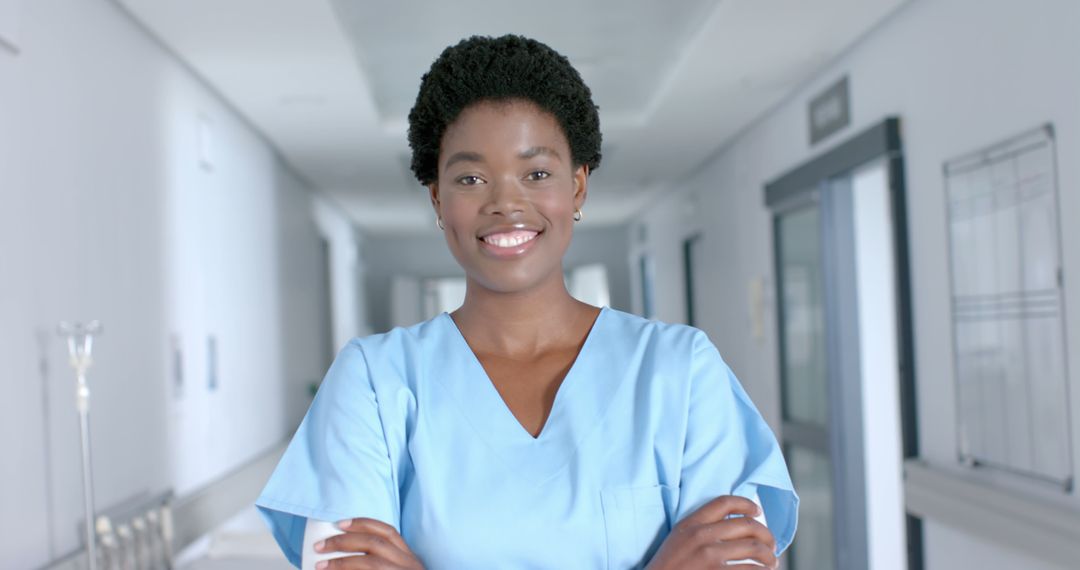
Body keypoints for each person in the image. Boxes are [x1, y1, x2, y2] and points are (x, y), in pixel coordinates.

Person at [255, 34, 798, 570]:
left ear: (578, 186)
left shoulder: (681, 372)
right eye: (470, 178)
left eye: (536, 173)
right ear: (438, 199)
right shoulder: (373, 383)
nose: (505, 203)